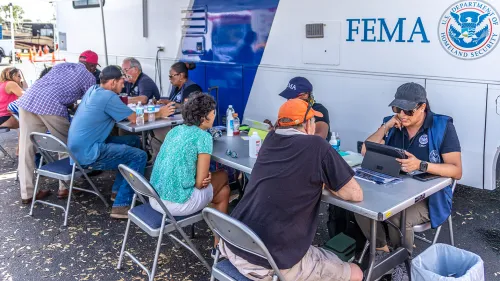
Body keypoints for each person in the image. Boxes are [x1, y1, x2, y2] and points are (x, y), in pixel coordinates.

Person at [220, 98, 364, 281]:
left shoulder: (270, 139)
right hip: (270, 262)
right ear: (308, 125)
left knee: (321, 255)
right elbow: (355, 194)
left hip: (235, 243)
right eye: (313, 121)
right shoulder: (317, 145)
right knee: (356, 273)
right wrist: (325, 180)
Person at [355, 82, 462, 280]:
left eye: (408, 111)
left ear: (422, 107)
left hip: (430, 196)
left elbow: (456, 170)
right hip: (394, 188)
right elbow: (365, 150)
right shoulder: (393, 123)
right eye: (397, 109)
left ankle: (402, 259)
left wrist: (421, 165)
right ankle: (383, 251)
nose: (402, 115)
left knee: (398, 215)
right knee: (360, 204)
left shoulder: (442, 126)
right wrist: (386, 126)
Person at [68, 65, 176, 218]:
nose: (124, 85)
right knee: (139, 156)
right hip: (89, 153)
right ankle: (121, 205)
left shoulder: (93, 90)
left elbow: (122, 107)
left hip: (77, 150)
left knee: (132, 140)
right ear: (112, 82)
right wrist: (160, 113)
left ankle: (117, 190)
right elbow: (134, 118)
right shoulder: (108, 97)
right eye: (121, 82)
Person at [149, 92, 230, 248]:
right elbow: (200, 184)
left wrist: (201, 177)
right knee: (223, 177)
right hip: (177, 204)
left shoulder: (175, 131)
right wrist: (202, 178)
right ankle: (219, 245)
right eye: (213, 113)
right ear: (203, 118)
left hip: (155, 197)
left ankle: (219, 245)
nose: (215, 116)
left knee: (223, 191)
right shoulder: (203, 137)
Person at [17, 61, 96, 204]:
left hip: (28, 100)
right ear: (92, 67)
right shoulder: (88, 76)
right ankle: (65, 186)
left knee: (26, 149)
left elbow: (56, 87)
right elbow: (89, 103)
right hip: (51, 106)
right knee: (68, 145)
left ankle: (27, 193)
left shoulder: (61, 66)